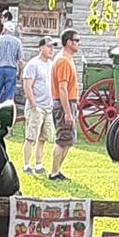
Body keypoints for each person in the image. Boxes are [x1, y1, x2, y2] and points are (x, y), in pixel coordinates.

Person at [20, 37, 58, 176]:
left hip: (48, 107)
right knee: (31, 137)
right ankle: (26, 165)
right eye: (49, 47)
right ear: (41, 48)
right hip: (36, 107)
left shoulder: (51, 64)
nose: (51, 50)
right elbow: (27, 86)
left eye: (53, 47)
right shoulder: (33, 65)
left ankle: (39, 164)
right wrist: (34, 105)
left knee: (43, 138)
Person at [48, 28, 82, 180]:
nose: (78, 43)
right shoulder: (62, 60)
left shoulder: (67, 59)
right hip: (64, 104)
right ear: (68, 42)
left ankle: (58, 170)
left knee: (68, 140)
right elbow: (62, 88)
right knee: (62, 140)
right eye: (76, 40)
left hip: (69, 103)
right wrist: (67, 112)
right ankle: (54, 173)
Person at [0, 19, 22, 118]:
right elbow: (20, 60)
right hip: (11, 69)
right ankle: (7, 116)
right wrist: (20, 73)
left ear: (4, 29)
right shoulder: (17, 42)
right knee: (9, 95)